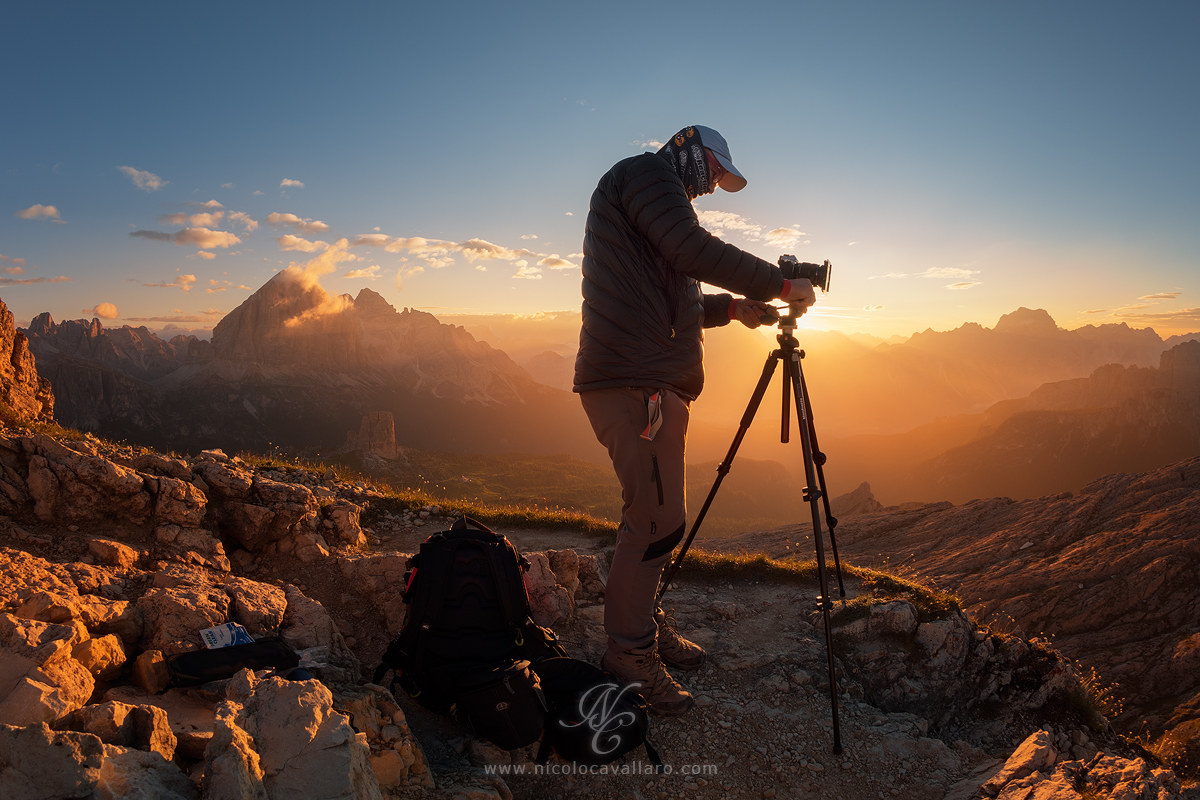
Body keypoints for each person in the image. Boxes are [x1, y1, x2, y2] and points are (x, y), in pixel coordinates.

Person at [573, 125, 817, 714]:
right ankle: (629, 659)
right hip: (636, 387)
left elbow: (672, 297)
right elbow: (692, 251)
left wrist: (734, 308)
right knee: (655, 524)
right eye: (712, 173)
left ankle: (642, 630)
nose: (710, 189)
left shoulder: (651, 206)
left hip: (642, 381)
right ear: (688, 150)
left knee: (658, 520)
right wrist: (781, 282)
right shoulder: (646, 176)